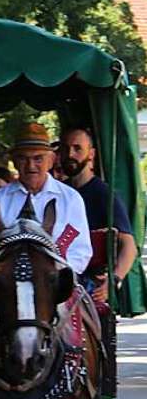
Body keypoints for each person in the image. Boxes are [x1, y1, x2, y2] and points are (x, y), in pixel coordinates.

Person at [0, 122, 92, 275]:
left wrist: (54, 275)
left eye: (38, 159)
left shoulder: (71, 199)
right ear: (14, 162)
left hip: (56, 284)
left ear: (51, 160)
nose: (31, 166)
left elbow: (80, 252)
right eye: (23, 159)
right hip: (7, 288)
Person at [59, 126, 138, 303]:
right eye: (65, 149)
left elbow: (129, 246)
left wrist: (114, 280)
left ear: (91, 154)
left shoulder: (105, 195)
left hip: (88, 285)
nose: (70, 154)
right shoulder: (58, 193)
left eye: (77, 148)